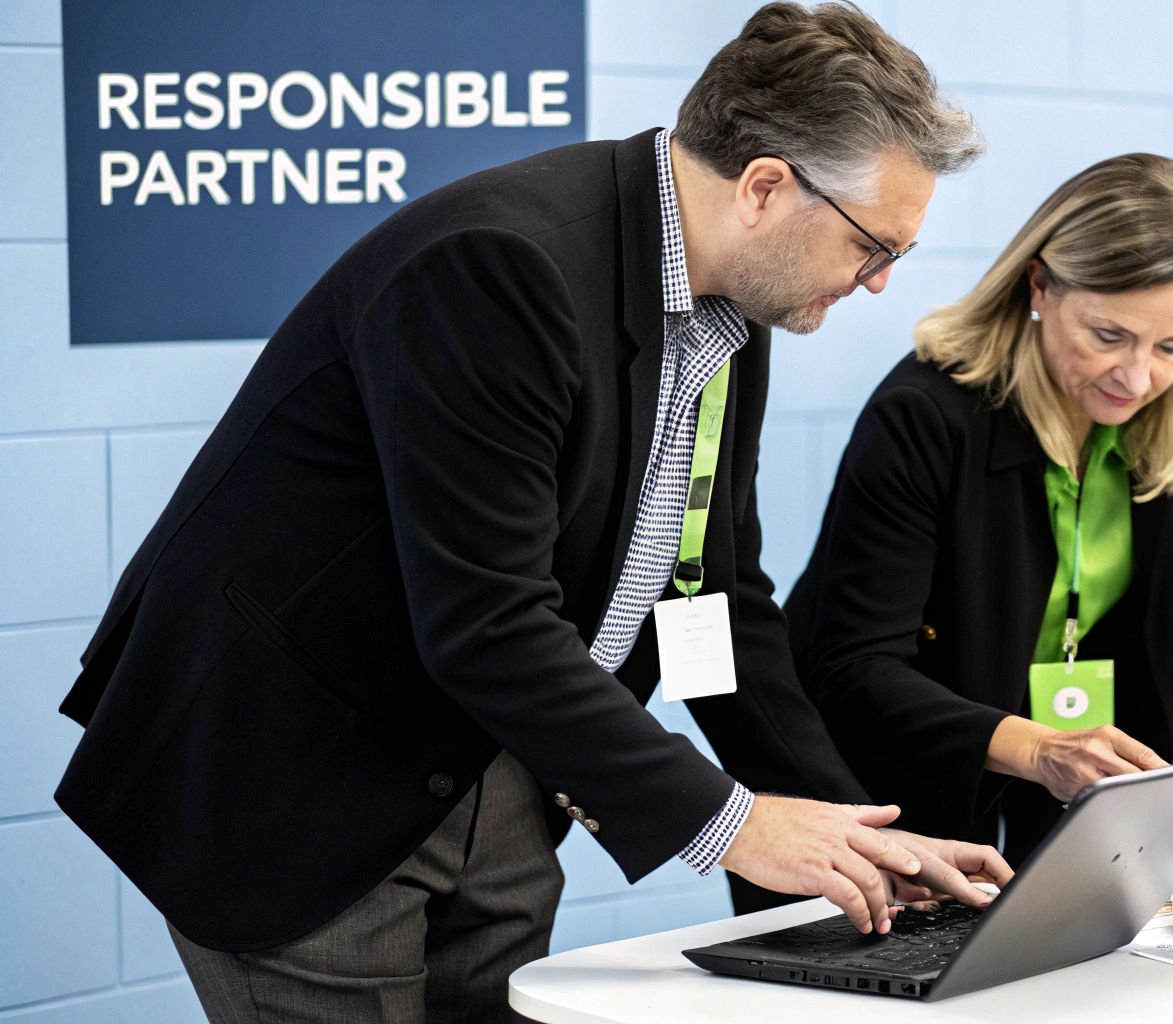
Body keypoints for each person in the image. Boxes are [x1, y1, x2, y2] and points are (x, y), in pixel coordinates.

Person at [52, 4, 1012, 1020]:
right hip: (303, 776)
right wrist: (734, 825)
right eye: (873, 246)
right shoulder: (501, 262)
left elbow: (714, 597)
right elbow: (486, 619)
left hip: (498, 764)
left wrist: (851, 831)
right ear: (765, 187)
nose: (879, 283)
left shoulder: (739, 302)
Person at [786, 153, 1173, 867]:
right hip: (863, 803)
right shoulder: (924, 416)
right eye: (1109, 336)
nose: (1136, 376)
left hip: (1035, 802)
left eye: (1172, 346)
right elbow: (853, 668)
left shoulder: (1150, 433)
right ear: (1040, 287)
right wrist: (1040, 750)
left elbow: (1131, 667)